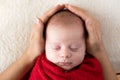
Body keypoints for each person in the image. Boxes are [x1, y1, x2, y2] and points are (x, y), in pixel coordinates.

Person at [0, 4, 118, 80]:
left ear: (86, 46)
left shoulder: (92, 68)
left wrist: (98, 50)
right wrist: (30, 54)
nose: (65, 54)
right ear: (44, 44)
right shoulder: (40, 67)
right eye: (56, 47)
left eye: (75, 47)